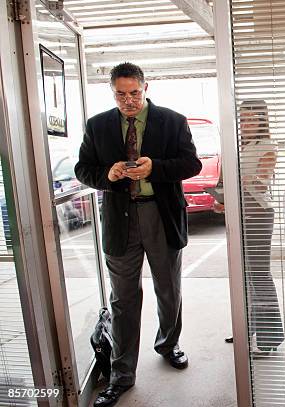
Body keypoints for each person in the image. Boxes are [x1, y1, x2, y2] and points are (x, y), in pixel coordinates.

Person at [75, 62, 202, 407]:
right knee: (123, 299)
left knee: (168, 288)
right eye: (120, 94)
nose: (128, 100)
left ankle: (168, 344)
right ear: (112, 92)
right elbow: (83, 169)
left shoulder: (172, 120)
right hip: (120, 218)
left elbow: (192, 164)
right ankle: (121, 375)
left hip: (161, 215)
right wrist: (109, 174)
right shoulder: (97, 125)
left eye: (133, 93)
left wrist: (155, 168)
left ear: (146, 88)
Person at [238, 99, 285, 356]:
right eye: (243, 119)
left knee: (259, 275)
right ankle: (249, 330)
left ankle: (270, 338)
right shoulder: (241, 146)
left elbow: (264, 182)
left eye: (252, 119)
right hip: (241, 215)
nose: (246, 124)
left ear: (262, 121)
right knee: (244, 277)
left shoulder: (266, 145)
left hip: (258, 215)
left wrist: (245, 180)